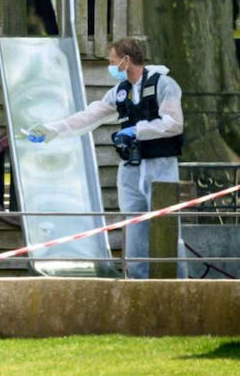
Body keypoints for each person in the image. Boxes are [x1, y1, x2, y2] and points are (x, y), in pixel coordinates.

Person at [27, 38, 184, 278]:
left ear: (126, 60)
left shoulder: (164, 84)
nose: (110, 67)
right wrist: (52, 130)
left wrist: (137, 130)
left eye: (112, 61)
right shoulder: (119, 92)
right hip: (131, 167)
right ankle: (137, 279)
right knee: (133, 226)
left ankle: (177, 280)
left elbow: (174, 123)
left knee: (166, 224)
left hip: (160, 165)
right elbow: (90, 116)